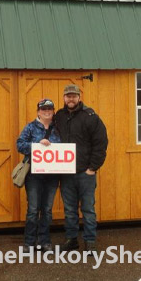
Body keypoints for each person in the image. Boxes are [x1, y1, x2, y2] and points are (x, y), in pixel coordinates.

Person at [54, 84, 108, 253]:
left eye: (74, 96)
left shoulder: (90, 116)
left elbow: (101, 143)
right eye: (68, 96)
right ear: (64, 98)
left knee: (88, 209)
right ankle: (71, 240)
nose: (71, 99)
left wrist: (92, 168)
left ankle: (90, 241)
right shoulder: (59, 116)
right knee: (69, 209)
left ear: (79, 97)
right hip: (66, 173)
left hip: (85, 173)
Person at [16, 98, 60, 252]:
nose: (47, 112)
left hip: (52, 175)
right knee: (33, 209)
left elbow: (66, 145)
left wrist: (54, 146)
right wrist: (36, 145)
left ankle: (45, 241)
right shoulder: (30, 127)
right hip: (34, 175)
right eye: (43, 109)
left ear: (53, 111)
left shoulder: (58, 128)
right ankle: (29, 242)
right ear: (38, 112)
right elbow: (19, 144)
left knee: (47, 210)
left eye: (49, 109)